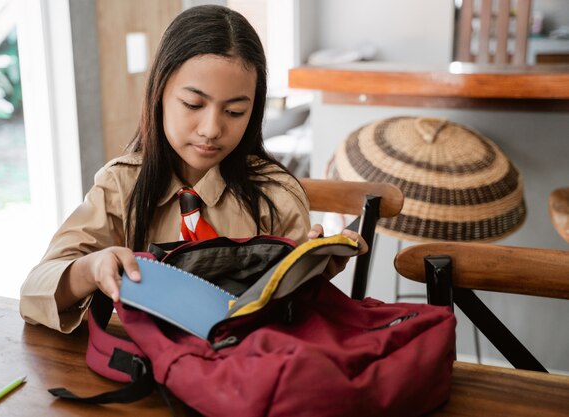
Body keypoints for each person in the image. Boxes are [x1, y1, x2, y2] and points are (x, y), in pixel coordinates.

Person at [19, 5, 358, 333]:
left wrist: (315, 271)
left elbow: (298, 321)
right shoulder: (121, 185)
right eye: (193, 104)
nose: (211, 129)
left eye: (235, 111)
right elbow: (35, 291)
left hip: (239, 374)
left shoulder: (276, 197)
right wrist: (89, 269)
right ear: (159, 93)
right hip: (141, 370)